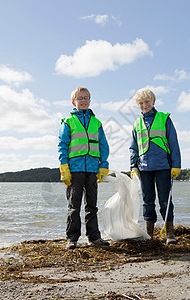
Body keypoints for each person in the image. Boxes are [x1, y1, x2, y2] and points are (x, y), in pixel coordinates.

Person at [58, 87, 110, 249]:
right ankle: (72, 239)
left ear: (90, 100)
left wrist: (104, 166)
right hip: (74, 169)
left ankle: (94, 238)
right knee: (74, 206)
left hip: (93, 169)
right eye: (80, 98)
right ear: (73, 102)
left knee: (92, 206)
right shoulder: (68, 122)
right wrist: (64, 168)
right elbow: (62, 145)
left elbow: (103, 146)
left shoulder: (97, 123)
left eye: (86, 97)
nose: (84, 100)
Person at [129, 88, 181, 244]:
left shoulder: (164, 119)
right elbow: (133, 147)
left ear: (153, 101)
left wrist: (176, 165)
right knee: (148, 201)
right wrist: (133, 166)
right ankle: (149, 234)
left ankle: (169, 234)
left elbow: (173, 143)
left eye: (147, 102)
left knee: (165, 201)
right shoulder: (137, 123)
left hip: (163, 166)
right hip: (144, 168)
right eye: (141, 103)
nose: (144, 105)